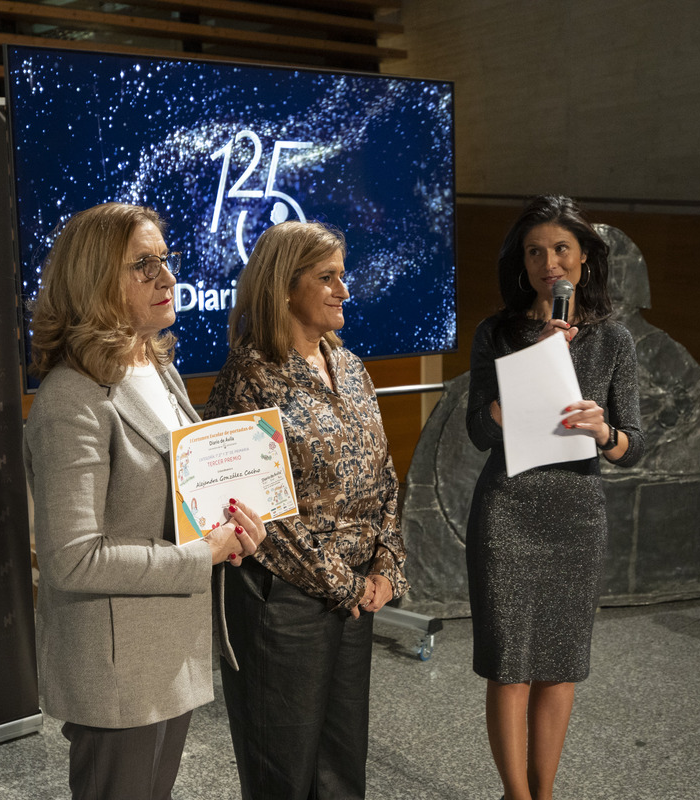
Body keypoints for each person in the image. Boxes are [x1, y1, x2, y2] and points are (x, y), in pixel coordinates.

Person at [23, 202, 266, 800]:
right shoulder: (71, 399)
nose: (166, 278)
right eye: (142, 266)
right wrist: (199, 557)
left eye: (165, 260)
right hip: (118, 671)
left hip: (171, 650)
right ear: (94, 280)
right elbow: (72, 558)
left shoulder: (158, 369)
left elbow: (181, 499)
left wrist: (232, 529)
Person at [204, 220, 409, 800]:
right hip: (282, 604)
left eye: (342, 276)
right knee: (283, 777)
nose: (344, 289)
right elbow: (254, 511)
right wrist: (345, 584)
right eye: (327, 277)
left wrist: (387, 567)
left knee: (342, 773)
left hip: (355, 599)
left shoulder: (348, 365)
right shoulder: (249, 378)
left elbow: (382, 475)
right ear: (283, 288)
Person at [465, 195, 645, 800]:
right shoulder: (498, 333)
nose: (549, 263)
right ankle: (515, 795)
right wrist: (538, 359)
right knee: (511, 666)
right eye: (535, 251)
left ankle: (545, 795)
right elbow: (479, 431)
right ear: (522, 261)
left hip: (575, 515)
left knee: (560, 668)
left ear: (585, 257)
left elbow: (633, 446)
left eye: (561, 249)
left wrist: (604, 433)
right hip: (508, 511)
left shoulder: (614, 340)